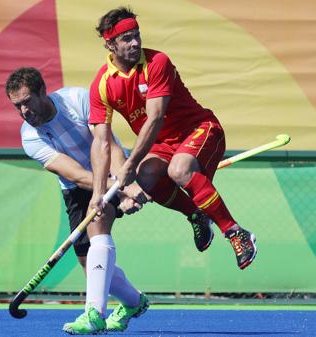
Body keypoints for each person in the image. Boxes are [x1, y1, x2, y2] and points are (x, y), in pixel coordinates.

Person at [88, 7, 257, 273]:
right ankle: (195, 213)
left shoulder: (157, 63)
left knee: (179, 169)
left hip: (199, 129)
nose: (135, 43)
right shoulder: (102, 84)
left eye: (137, 35)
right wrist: (98, 193)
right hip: (163, 144)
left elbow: (155, 118)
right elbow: (101, 142)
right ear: (110, 44)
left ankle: (235, 232)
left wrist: (130, 164)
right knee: (147, 177)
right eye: (126, 39)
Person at [5, 67, 150, 334]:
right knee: (90, 264)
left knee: (98, 228)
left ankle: (94, 314)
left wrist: (124, 183)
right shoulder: (30, 138)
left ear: (42, 92)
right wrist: (121, 191)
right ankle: (134, 302)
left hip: (111, 167)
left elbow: (111, 146)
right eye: (17, 106)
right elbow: (78, 175)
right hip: (77, 185)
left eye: (27, 102)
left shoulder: (77, 99)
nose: (24, 111)